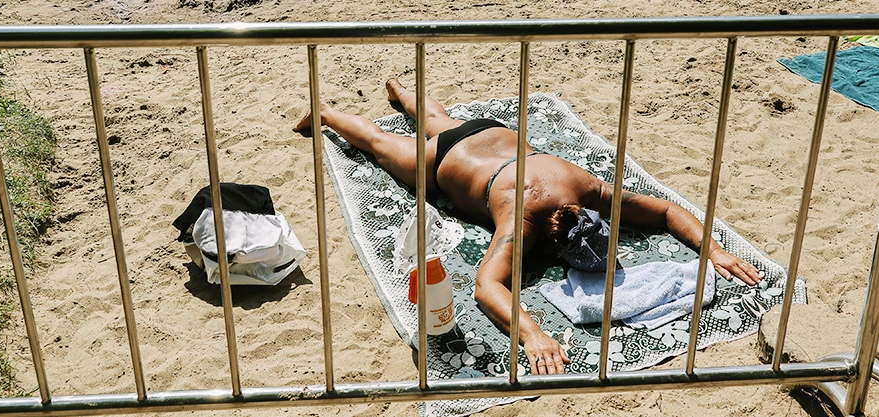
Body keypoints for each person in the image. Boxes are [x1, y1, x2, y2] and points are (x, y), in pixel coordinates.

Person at [292, 79, 763, 375]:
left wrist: (714, 249)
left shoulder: (586, 190)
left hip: (489, 131)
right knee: (379, 144)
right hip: (443, 160)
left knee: (438, 119)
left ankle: (401, 92)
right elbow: (486, 285)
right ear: (555, 245)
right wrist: (532, 333)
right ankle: (328, 114)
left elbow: (665, 211)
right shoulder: (524, 223)